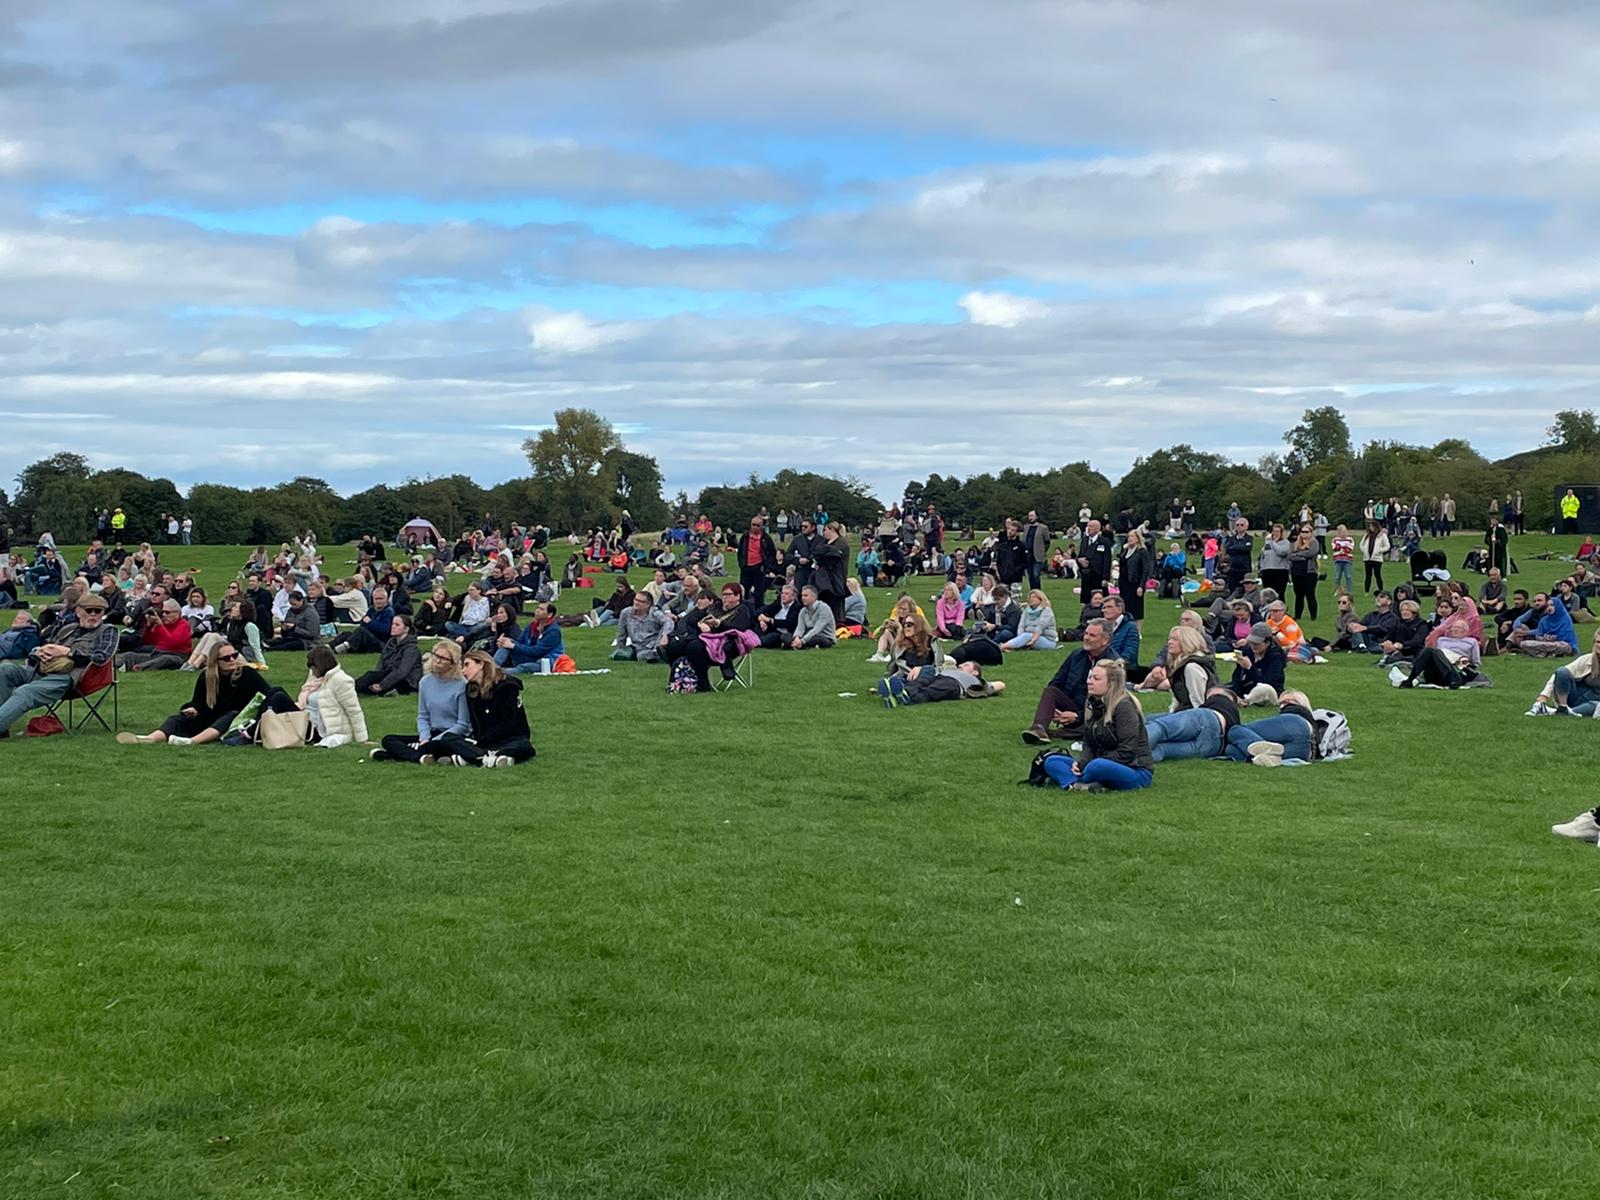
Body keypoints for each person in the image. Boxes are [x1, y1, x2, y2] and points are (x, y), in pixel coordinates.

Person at [116, 640, 294, 747]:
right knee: (177, 719)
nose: (232, 660)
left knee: (229, 715)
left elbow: (267, 695)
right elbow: (198, 703)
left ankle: (192, 742)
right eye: (226, 658)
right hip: (210, 717)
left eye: (234, 655)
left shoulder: (247, 673)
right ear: (216, 661)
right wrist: (192, 709)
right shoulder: (207, 677)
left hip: (238, 720)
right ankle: (150, 739)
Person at [0, 592, 117, 738]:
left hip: (70, 678)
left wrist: (68, 652)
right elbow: (46, 643)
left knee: (25, 692)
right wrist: (38, 652)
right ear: (78, 611)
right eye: (89, 610)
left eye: (98, 611)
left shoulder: (108, 631)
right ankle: (3, 727)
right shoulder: (68, 628)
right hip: (41, 669)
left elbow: (101, 658)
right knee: (5, 669)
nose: (93, 614)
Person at [1039, 659, 1153, 792]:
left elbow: (1127, 751)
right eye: (1090, 677)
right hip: (1098, 762)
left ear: (1111, 684)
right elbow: (1088, 744)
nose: (1089, 681)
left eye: (1096, 678)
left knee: (1097, 766)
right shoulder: (1093, 703)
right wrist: (1082, 763)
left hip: (1133, 769)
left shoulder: (1124, 707)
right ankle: (1080, 786)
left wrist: (1089, 764)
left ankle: (1072, 781)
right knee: (1052, 760)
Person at [371, 641, 473, 763]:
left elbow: (462, 724)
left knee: (438, 746)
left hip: (451, 736)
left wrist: (435, 740)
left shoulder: (462, 685)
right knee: (388, 739)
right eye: (436, 656)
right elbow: (423, 716)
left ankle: (397, 754)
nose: (437, 661)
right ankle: (419, 757)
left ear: (452, 664)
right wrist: (424, 737)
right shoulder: (425, 682)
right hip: (432, 732)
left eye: (443, 658)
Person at [1022, 618, 1112, 744]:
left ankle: (1055, 733)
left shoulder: (1112, 664)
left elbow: (1110, 703)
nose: (1086, 638)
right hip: (1073, 704)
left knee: (1098, 727)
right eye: (1086, 633)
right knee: (1051, 691)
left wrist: (1077, 717)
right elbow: (1057, 682)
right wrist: (1055, 710)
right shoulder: (1076, 655)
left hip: (1095, 713)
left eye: (1092, 635)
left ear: (1105, 640)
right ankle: (1039, 728)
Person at [1143, 686, 1241, 762]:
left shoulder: (1219, 699)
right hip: (1215, 746)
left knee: (1161, 728)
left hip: (1208, 718)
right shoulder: (1235, 720)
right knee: (1162, 750)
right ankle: (1133, 759)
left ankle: (1130, 748)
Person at [296, 645, 367, 748]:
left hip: (319, 730)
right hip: (305, 719)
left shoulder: (341, 680)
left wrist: (362, 740)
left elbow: (354, 711)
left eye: (312, 665)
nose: (310, 669)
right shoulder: (315, 678)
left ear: (320, 665)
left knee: (279, 697)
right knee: (276, 694)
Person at [1223, 689, 1317, 766]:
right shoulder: (1312, 724)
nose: (1282, 706)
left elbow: (1244, 731)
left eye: (1287, 702)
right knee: (1230, 749)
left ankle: (1260, 746)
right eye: (1281, 703)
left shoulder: (1294, 715)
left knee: (1236, 730)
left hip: (1295, 725)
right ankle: (1262, 755)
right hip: (1302, 752)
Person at [1527, 629, 1600, 716]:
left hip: (1595, 702)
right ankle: (1563, 706)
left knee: (1597, 706)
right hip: (1576, 696)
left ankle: (1557, 712)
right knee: (1562, 672)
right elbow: (1558, 675)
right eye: (1598, 642)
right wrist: (1544, 695)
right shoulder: (1586, 659)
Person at [876, 658, 1005, 706]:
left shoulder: (976, 681)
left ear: (975, 672)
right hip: (939, 675)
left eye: (966, 665)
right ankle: (901, 692)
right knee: (925, 674)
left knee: (930, 691)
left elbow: (1001, 684)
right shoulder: (950, 669)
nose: (961, 665)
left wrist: (988, 687)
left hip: (954, 684)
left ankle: (903, 695)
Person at [352, 614, 423, 695]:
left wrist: (382, 685)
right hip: (390, 675)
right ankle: (348, 688)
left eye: (397, 625)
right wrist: (377, 677)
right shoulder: (391, 642)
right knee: (370, 679)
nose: (393, 627)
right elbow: (382, 662)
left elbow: (402, 672)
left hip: (407, 682)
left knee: (370, 677)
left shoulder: (412, 649)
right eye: (392, 624)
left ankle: (346, 689)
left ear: (406, 629)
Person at [117, 599, 195, 672]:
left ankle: (139, 667)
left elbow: (172, 642)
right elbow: (148, 641)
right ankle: (114, 665)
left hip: (177, 655)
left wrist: (160, 625)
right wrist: (149, 625)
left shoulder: (183, 625)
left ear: (177, 613)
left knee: (166, 659)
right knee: (130, 655)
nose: (164, 615)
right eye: (163, 612)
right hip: (158, 653)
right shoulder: (163, 624)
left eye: (167, 612)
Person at [497, 601, 565, 674]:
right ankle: (493, 667)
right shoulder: (531, 626)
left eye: (541, 609)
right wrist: (507, 642)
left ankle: (500, 673)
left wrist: (514, 646)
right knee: (506, 644)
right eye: (537, 608)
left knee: (524, 667)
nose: (537, 610)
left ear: (550, 614)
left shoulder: (553, 631)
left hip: (545, 662)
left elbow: (537, 651)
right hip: (530, 657)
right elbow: (520, 642)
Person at [1230, 623, 1287, 706]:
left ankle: (1245, 701)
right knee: (1224, 689)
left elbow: (1268, 681)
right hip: (1247, 688)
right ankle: (1238, 698)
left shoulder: (1276, 656)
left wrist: (1250, 668)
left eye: (1256, 644)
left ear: (1267, 642)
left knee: (1265, 689)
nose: (1253, 646)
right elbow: (1237, 677)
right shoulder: (1247, 651)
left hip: (1268, 691)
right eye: (1251, 643)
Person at [1508, 591, 1576, 658]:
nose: (1549, 608)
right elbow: (1539, 634)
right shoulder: (1544, 619)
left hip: (1561, 645)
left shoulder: (1565, 618)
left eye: (1552, 605)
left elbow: (1565, 638)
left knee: (1563, 646)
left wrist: (1548, 637)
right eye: (1548, 606)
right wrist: (1518, 629)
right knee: (1524, 644)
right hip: (1544, 643)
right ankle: (1548, 655)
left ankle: (1541, 653)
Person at [613, 590, 674, 662]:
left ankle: (657, 654)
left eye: (640, 601)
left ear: (648, 604)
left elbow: (669, 621)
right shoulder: (626, 613)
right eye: (635, 599)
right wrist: (620, 649)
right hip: (637, 646)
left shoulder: (655, 613)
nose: (636, 603)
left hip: (653, 645)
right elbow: (621, 634)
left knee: (642, 656)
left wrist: (664, 635)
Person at [1117, 530, 1154, 633]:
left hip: (1135, 582)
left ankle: (1137, 631)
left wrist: (1141, 585)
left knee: (1137, 607)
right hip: (1124, 582)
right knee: (1125, 606)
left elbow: (1145, 569)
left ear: (1138, 538)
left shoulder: (1142, 551)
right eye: (1129, 536)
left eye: (1132, 537)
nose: (1130, 539)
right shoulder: (1125, 551)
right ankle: (1125, 628)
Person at [1287, 525, 1320, 621]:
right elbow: (1290, 556)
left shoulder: (1314, 543)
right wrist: (1302, 557)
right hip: (1296, 572)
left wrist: (1297, 554)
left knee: (1310, 594)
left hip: (1309, 572)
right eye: (1302, 531)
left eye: (1307, 532)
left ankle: (1313, 616)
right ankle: (1298, 616)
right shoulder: (1295, 544)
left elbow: (1312, 553)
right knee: (1298, 595)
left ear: (1311, 532)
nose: (1304, 534)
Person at [789, 585, 837, 650]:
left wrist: (803, 640)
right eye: (802, 595)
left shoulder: (824, 608)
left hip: (824, 637)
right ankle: (799, 645)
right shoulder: (803, 611)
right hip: (807, 636)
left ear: (814, 597)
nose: (803, 598)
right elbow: (800, 627)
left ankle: (799, 645)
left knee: (815, 638)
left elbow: (818, 628)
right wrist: (797, 637)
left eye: (806, 596)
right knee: (785, 636)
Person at [1077, 519, 1112, 603]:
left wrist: (1105, 577)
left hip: (1098, 575)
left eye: (1091, 526)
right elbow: (1080, 555)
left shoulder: (1104, 541)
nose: (1088, 528)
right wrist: (1079, 560)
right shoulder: (1085, 540)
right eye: (1088, 526)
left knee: (1100, 598)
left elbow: (1107, 560)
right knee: (1087, 599)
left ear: (1097, 528)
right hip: (1086, 575)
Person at [1221, 517, 1253, 594]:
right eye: (1237, 525)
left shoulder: (1249, 538)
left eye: (1242, 525)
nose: (1239, 526)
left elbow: (1247, 549)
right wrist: (1239, 548)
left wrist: (1235, 547)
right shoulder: (1231, 539)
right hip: (1233, 568)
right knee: (1232, 589)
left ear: (1246, 527)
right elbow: (1228, 549)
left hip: (1244, 568)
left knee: (1244, 590)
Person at [1022, 510, 1051, 590]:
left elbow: (1047, 542)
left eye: (1032, 516)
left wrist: (1042, 551)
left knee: (1036, 575)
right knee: (1030, 575)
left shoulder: (1043, 528)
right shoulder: (1026, 527)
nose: (1030, 518)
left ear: (1037, 517)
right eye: (1029, 516)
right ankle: (1033, 592)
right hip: (1028, 555)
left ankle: (1038, 592)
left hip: (1038, 556)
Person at [1360, 521, 1390, 593]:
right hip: (1367, 558)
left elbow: (1387, 546)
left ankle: (1381, 590)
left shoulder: (1382, 535)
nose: (1371, 528)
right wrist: (1364, 550)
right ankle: (1366, 591)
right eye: (1370, 526)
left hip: (1377, 559)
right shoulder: (1367, 535)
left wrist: (1379, 550)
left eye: (1372, 526)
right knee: (1368, 576)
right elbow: (1361, 544)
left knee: (1377, 575)